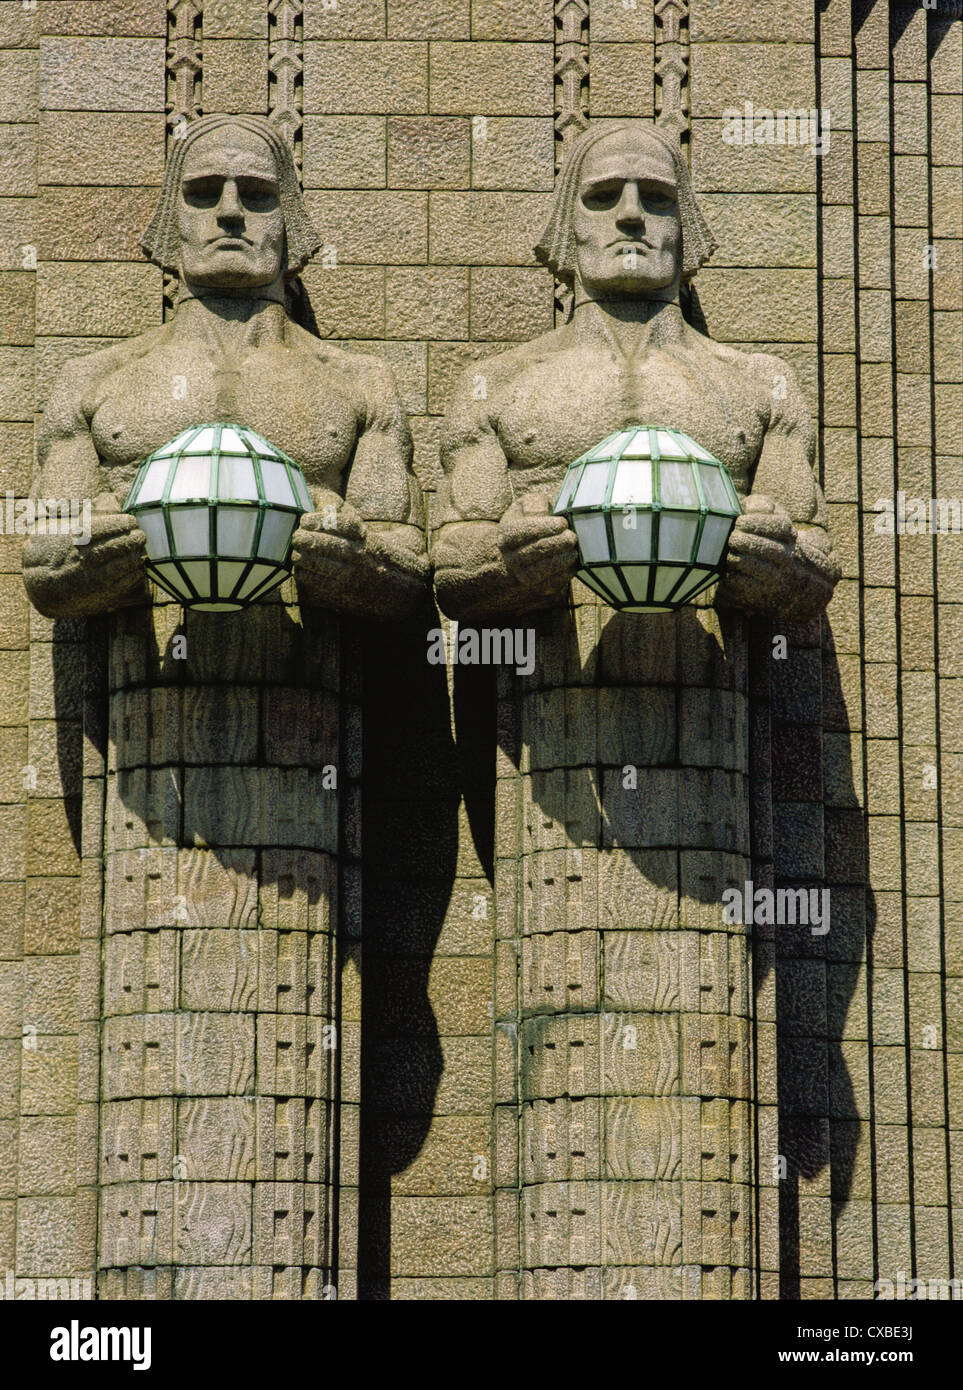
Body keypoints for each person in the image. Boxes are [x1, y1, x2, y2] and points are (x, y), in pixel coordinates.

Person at [433, 118, 840, 622]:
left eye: (657, 197)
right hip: (539, 680)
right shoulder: (495, 384)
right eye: (602, 197)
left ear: (684, 224)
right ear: (569, 225)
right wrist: (510, 566)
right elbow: (450, 568)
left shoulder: (760, 384)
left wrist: (777, 565)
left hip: (721, 684)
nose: (631, 215)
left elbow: (816, 562)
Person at [23, 114, 427, 620]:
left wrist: (356, 563)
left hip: (316, 675)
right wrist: (89, 559)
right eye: (204, 192)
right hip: (133, 681)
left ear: (290, 223)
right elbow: (44, 568)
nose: (230, 212)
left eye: (257, 193)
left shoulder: (359, 381)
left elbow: (409, 570)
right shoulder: (93, 379)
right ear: (173, 220)